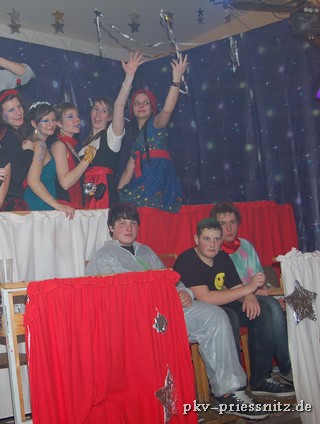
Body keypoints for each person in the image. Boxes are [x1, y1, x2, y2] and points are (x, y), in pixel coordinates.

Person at [85, 203, 269, 420]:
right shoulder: (103, 258)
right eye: (121, 223)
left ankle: (229, 393)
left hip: (168, 311)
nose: (128, 228)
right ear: (110, 227)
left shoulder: (146, 251)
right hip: (136, 322)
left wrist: (185, 293)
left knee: (216, 316)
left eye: (133, 223)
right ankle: (172, 404)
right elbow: (107, 303)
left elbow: (172, 280)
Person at [173, 218, 295, 397]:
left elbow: (237, 287)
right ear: (196, 239)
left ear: (222, 240)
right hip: (202, 311)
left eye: (217, 239)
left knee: (265, 308)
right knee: (229, 316)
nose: (212, 244)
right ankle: (234, 389)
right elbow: (206, 298)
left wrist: (249, 296)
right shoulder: (187, 260)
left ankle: (261, 379)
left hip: (224, 303)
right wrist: (248, 289)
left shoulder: (222, 257)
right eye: (207, 239)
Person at [209, 200, 293, 385]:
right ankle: (287, 368)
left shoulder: (246, 246)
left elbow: (260, 279)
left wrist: (276, 295)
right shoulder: (213, 249)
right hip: (229, 302)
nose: (229, 228)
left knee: (276, 306)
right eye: (223, 223)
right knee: (270, 306)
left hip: (254, 297)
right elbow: (223, 288)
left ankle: (272, 373)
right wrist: (261, 295)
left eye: (232, 222)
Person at [118, 53, 188, 213]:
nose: (141, 105)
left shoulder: (156, 124)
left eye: (145, 103)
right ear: (132, 110)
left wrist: (176, 80)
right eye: (137, 103)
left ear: (152, 109)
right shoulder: (136, 140)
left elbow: (168, 110)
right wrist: (118, 199)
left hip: (159, 180)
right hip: (144, 184)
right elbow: (128, 171)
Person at [80, 51, 143, 209]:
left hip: (105, 199)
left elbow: (119, 106)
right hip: (87, 198)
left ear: (110, 117)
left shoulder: (112, 137)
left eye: (104, 111)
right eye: (95, 109)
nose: (98, 114)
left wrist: (129, 77)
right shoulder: (83, 146)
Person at [24, 102, 74, 217]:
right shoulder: (40, 145)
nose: (51, 124)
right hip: (39, 205)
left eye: (53, 120)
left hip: (42, 203)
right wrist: (58, 205)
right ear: (34, 123)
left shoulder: (37, 143)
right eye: (45, 120)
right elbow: (33, 181)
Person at [0, 89, 34, 211]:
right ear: (1, 115)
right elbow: (17, 177)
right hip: (8, 203)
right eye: (11, 110)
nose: (18, 112)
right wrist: (29, 152)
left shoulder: (6, 133)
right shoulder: (8, 135)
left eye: (19, 107)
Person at [50, 102, 95, 209]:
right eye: (70, 116)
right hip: (65, 209)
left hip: (75, 208)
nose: (77, 120)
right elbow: (65, 183)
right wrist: (87, 159)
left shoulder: (71, 147)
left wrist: (91, 189)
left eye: (77, 116)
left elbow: (77, 183)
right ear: (59, 123)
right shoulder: (59, 145)